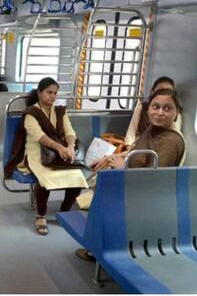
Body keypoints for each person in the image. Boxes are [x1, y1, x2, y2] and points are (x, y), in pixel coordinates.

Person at [75, 88, 186, 262]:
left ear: (177, 112)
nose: (159, 112)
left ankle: (102, 250)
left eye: (167, 108)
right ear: (148, 109)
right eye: (155, 106)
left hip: (145, 197)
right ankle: (99, 246)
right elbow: (136, 152)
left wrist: (123, 168)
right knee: (100, 188)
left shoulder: (170, 141)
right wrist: (110, 158)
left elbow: (154, 180)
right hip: (133, 186)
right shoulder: (153, 130)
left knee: (102, 196)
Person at [5, 77, 88, 236]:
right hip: (36, 153)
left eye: (55, 93)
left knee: (77, 176)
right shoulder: (31, 113)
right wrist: (60, 147)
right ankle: (41, 215)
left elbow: (69, 131)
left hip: (58, 152)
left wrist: (70, 147)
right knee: (44, 178)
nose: (52, 96)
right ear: (39, 93)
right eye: (49, 92)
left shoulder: (60, 112)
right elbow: (40, 136)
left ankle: (65, 211)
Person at [125, 76, 182, 146]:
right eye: (160, 90)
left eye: (168, 91)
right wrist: (129, 147)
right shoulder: (141, 108)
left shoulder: (175, 116)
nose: (163, 94)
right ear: (152, 92)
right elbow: (131, 133)